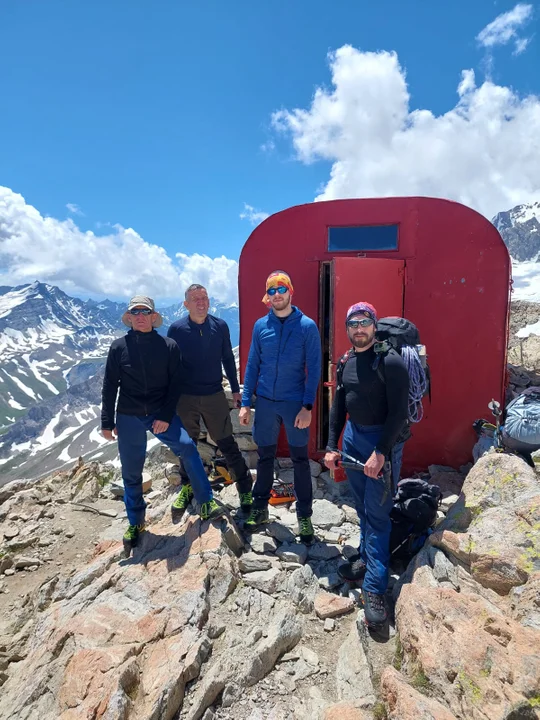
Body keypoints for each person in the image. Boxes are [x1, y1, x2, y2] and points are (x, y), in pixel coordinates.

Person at [101, 295, 225, 557]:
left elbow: (176, 383)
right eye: (135, 312)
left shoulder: (168, 346)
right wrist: (106, 422)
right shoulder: (118, 347)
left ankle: (205, 502)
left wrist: (166, 416)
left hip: (160, 412)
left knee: (187, 447)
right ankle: (136, 523)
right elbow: (110, 385)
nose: (140, 316)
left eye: (145, 312)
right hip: (129, 415)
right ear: (130, 317)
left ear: (153, 317)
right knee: (132, 471)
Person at [323, 302, 409, 627]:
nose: (359, 329)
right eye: (353, 323)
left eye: (365, 322)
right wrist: (332, 446)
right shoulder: (345, 362)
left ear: (374, 326)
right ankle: (367, 559)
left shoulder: (390, 361)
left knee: (378, 513)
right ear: (347, 329)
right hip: (353, 441)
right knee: (361, 507)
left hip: (379, 444)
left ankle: (375, 588)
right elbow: (339, 407)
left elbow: (399, 412)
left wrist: (382, 451)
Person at [239, 271, 322, 544]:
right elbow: (252, 365)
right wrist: (245, 403)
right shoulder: (260, 326)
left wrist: (307, 406)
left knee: (300, 460)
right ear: (268, 296)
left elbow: (315, 368)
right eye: (271, 290)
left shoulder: (307, 326)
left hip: (294, 403)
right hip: (264, 402)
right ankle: (260, 510)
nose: (277, 295)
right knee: (264, 457)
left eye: (281, 289)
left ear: (290, 291)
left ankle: (305, 517)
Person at [167, 284, 253, 516]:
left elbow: (227, 358)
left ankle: (245, 487)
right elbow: (170, 364)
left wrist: (236, 390)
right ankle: (187, 487)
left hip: (214, 394)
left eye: (204, 298)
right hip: (185, 397)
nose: (201, 302)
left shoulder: (220, 326)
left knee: (226, 442)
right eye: (195, 299)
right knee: (188, 445)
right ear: (186, 304)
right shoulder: (176, 329)